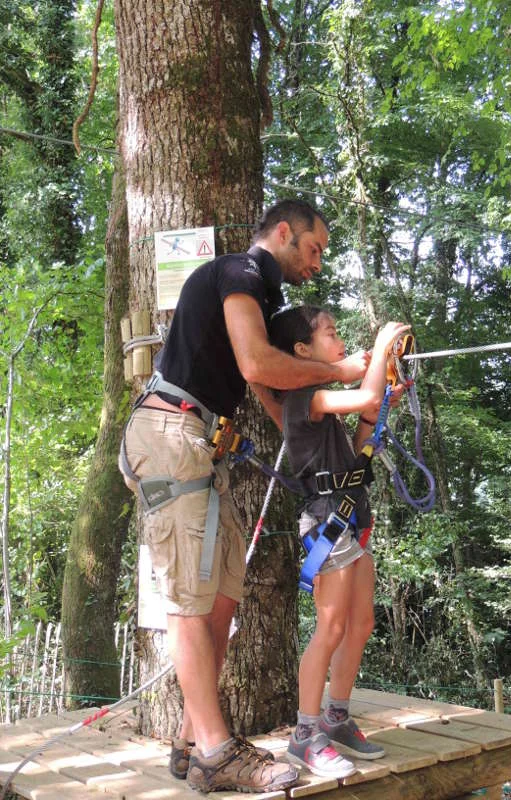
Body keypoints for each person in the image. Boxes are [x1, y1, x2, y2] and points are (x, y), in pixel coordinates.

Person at [119, 200, 370, 794]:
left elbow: (260, 381)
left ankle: (190, 737)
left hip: (201, 441)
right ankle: (214, 750)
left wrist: (309, 432)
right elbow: (259, 361)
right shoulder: (242, 272)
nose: (317, 262)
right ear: (283, 234)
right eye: (314, 248)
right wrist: (339, 373)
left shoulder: (257, 296)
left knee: (223, 593)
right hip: (171, 431)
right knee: (188, 598)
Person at [268, 305, 409, 778]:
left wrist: (376, 410)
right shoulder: (305, 399)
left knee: (361, 622)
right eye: (330, 333)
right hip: (327, 522)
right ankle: (305, 735)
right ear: (303, 351)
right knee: (329, 629)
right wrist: (385, 343)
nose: (340, 339)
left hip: (350, 516)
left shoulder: (323, 404)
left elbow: (357, 451)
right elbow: (363, 389)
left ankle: (336, 717)